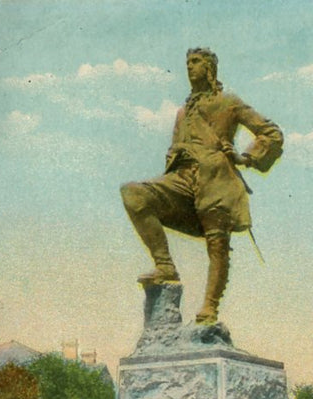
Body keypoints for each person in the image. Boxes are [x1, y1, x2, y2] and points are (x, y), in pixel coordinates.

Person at [121, 47, 283, 325]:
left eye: (196, 62)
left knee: (217, 244)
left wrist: (245, 158)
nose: (189, 67)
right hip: (182, 180)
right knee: (134, 193)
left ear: (209, 68)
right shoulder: (183, 112)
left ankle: (210, 306)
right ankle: (165, 265)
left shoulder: (228, 102)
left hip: (215, 180)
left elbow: (272, 133)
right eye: (187, 62)